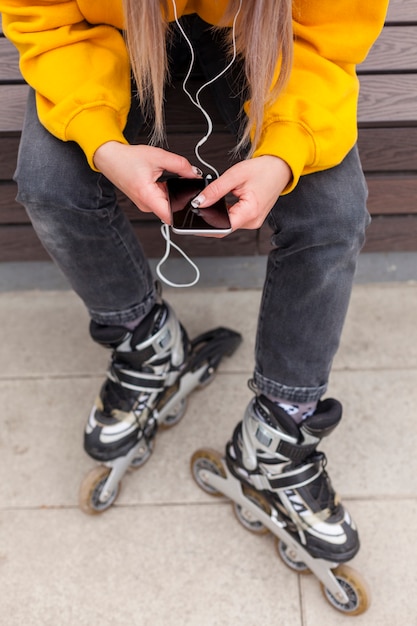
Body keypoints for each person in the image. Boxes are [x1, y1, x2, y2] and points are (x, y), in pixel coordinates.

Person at [2, 0, 388, 560]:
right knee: (49, 182)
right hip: (108, 34)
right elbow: (50, 15)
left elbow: (323, 38)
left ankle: (280, 429)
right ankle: (147, 343)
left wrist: (284, 154)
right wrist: (102, 143)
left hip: (268, 37)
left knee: (333, 216)